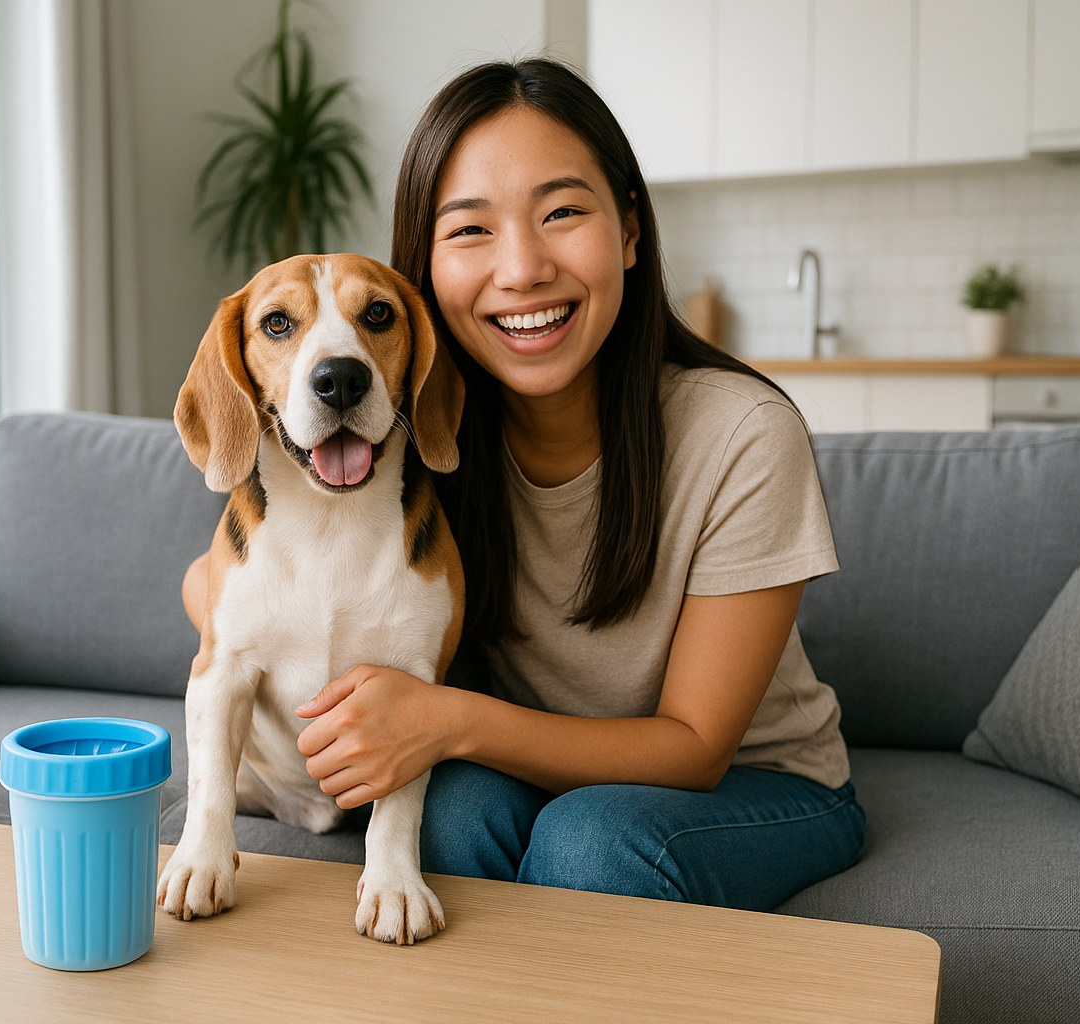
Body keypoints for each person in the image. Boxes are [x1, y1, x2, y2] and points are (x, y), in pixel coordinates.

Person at [181, 58, 865, 912]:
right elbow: (216, 588)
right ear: (427, 268)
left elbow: (696, 748)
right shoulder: (422, 428)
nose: (522, 268)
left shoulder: (744, 433)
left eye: (562, 213)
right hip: (531, 765)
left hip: (754, 780)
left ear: (630, 231)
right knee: (448, 818)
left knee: (592, 842)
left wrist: (447, 720)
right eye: (471, 228)